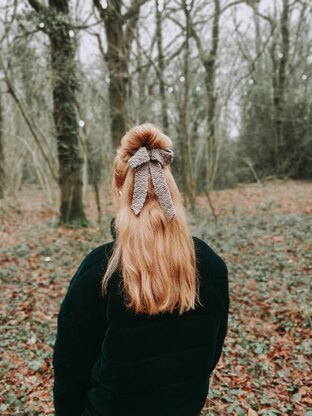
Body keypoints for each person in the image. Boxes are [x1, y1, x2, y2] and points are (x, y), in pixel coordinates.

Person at [52, 123, 229, 416]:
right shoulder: (211, 264)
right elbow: (210, 353)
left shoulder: (101, 270)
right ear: (170, 188)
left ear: (120, 189)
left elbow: (70, 368)